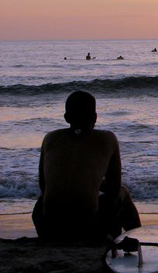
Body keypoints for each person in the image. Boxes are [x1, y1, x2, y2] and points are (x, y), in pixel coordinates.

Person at [32, 91, 141, 241]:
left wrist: (92, 183)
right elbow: (114, 188)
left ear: (66, 118)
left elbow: (44, 186)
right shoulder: (107, 139)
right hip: (89, 229)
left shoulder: (50, 138)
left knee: (42, 201)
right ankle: (139, 238)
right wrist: (94, 185)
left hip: (51, 228)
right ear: (95, 117)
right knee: (122, 193)